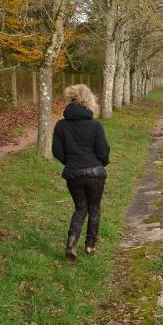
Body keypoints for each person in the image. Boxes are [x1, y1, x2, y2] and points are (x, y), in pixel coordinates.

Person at [52, 84, 110, 261]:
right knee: (94, 208)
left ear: (70, 99)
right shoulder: (95, 126)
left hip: (72, 174)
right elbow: (103, 151)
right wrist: (102, 164)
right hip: (95, 174)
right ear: (89, 100)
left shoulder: (61, 126)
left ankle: (71, 241)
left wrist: (69, 163)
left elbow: (57, 151)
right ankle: (90, 246)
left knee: (80, 208)